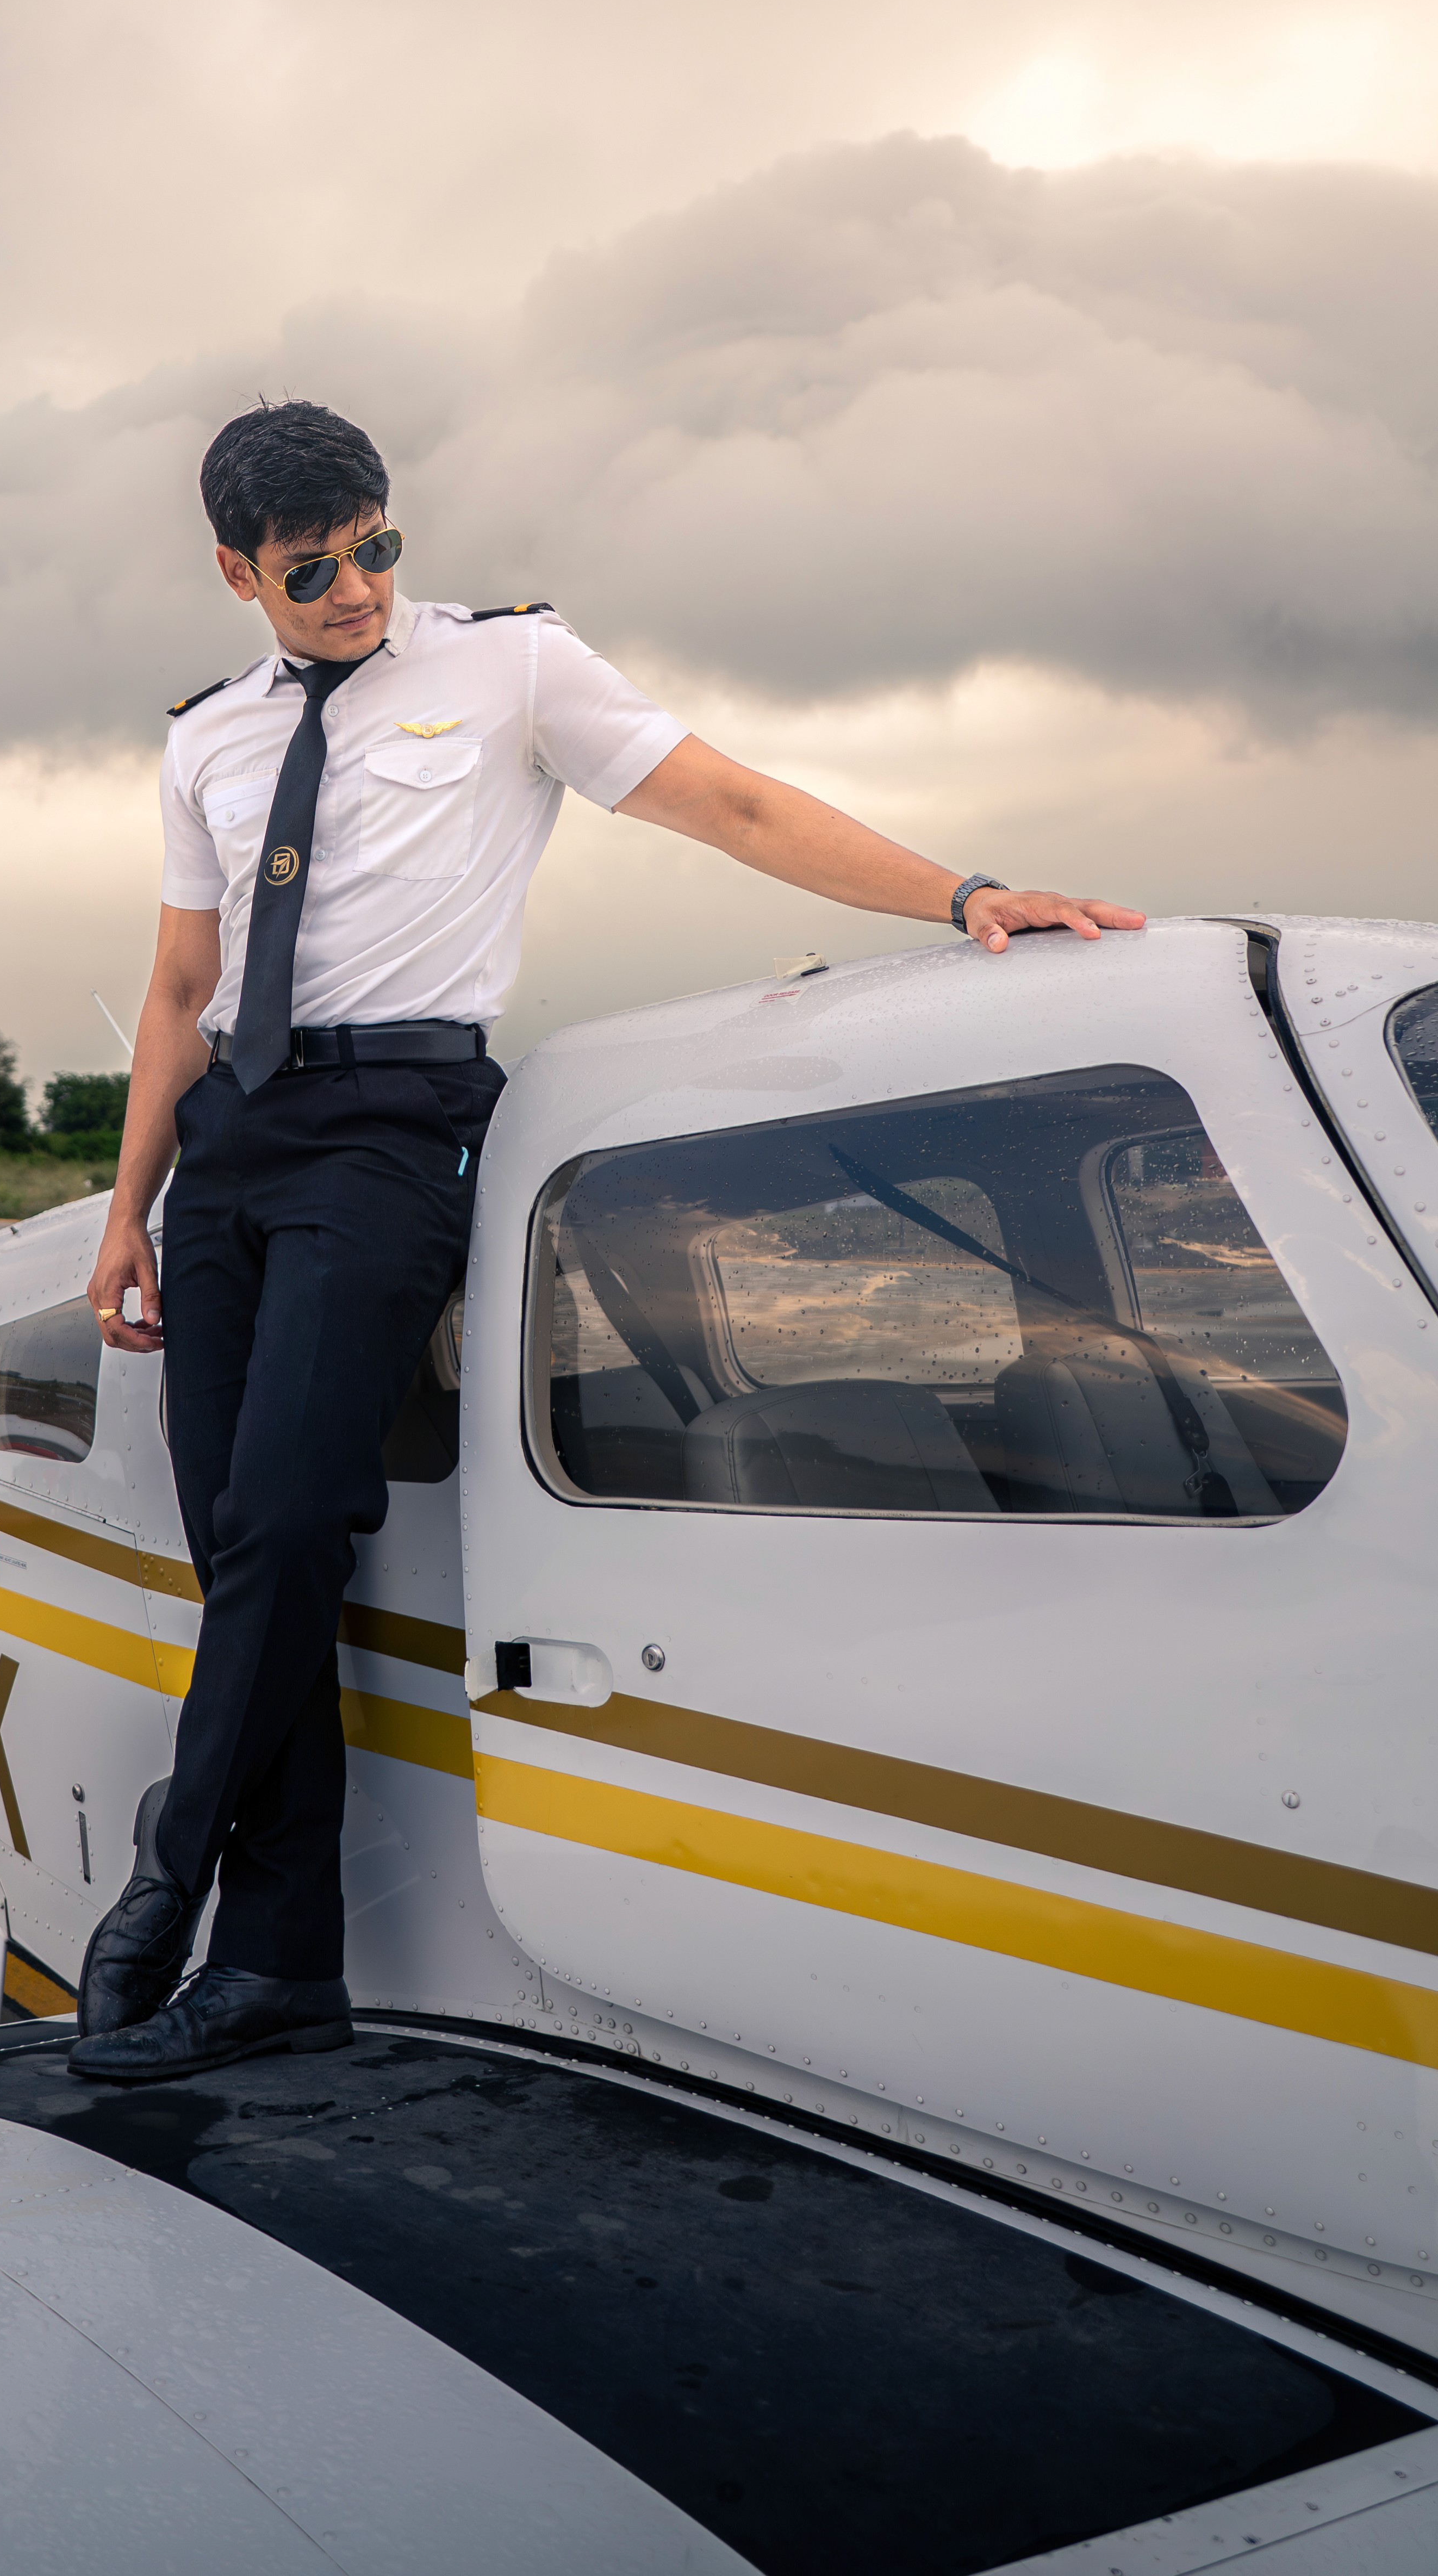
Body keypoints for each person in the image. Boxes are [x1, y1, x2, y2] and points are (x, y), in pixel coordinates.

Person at [70, 400, 1142, 2082]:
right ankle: (276, 1973)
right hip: (229, 1159)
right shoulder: (206, 740)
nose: (356, 589)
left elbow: (734, 805)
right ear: (236, 572)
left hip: (392, 1131)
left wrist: (964, 894)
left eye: (377, 548)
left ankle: (165, 1873)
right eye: (311, 570)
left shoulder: (512, 669)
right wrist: (131, 1208)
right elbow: (184, 992)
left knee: (287, 1521)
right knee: (247, 1560)